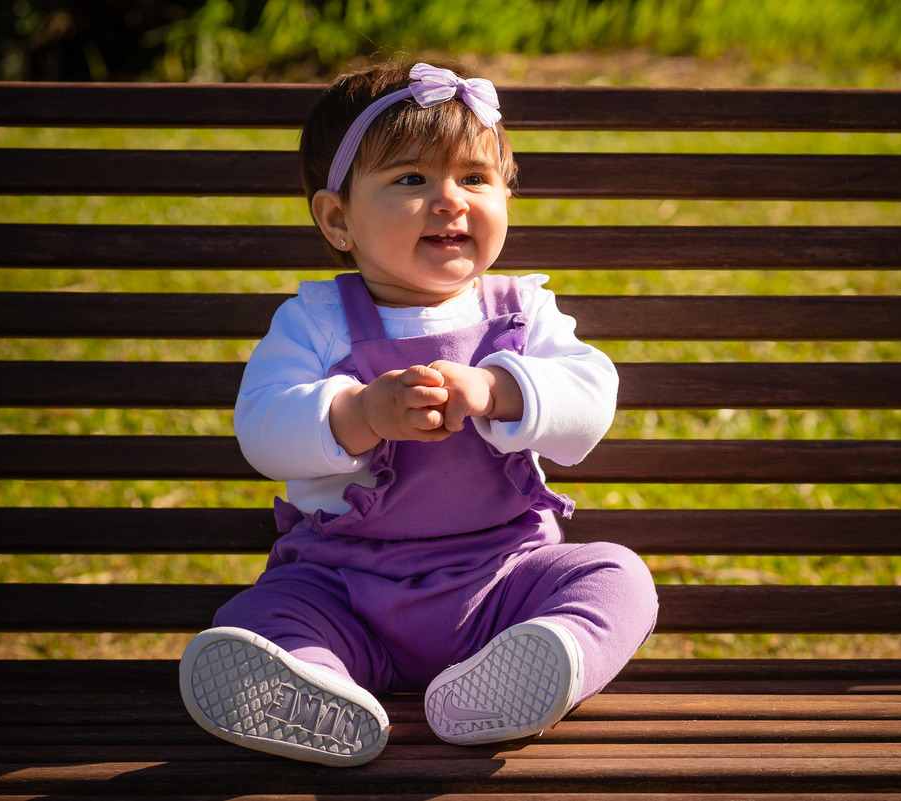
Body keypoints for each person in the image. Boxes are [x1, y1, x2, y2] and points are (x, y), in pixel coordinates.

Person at [178, 60, 659, 768]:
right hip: (345, 586)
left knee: (619, 576)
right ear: (337, 218)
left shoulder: (523, 312)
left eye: (476, 177)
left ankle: (535, 665)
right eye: (411, 179)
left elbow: (591, 397)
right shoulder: (316, 321)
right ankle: (313, 687)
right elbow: (263, 428)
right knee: (265, 615)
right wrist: (361, 412)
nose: (449, 201)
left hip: (502, 581)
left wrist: (499, 389)